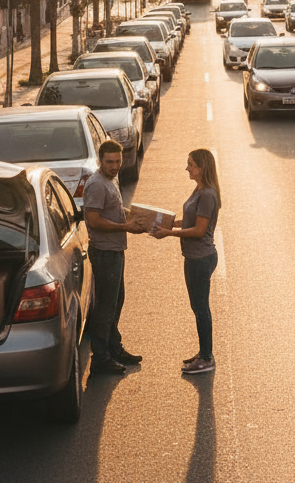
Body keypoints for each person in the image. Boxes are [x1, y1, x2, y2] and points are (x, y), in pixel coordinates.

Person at [152, 148, 221, 375]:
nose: (187, 168)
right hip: (192, 257)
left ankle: (207, 357)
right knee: (197, 306)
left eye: (191, 164)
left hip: (201, 258)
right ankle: (203, 352)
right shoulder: (199, 190)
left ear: (202, 168)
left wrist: (169, 234)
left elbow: (200, 230)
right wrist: (171, 224)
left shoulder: (208, 194)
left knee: (201, 308)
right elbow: (191, 221)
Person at [83, 140, 145, 374]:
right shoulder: (97, 185)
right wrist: (126, 228)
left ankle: (114, 347)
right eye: (110, 162)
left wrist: (137, 217)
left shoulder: (111, 180)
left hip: (115, 250)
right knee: (106, 306)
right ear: (100, 161)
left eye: (118, 161)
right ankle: (100, 358)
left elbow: (114, 211)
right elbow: (94, 220)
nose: (115, 166)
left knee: (117, 301)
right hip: (105, 252)